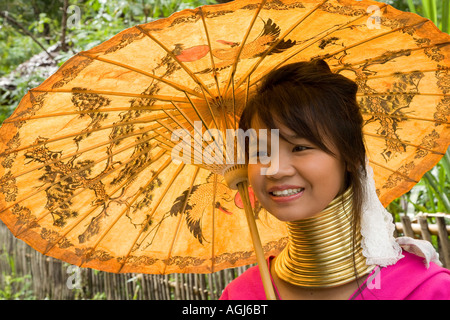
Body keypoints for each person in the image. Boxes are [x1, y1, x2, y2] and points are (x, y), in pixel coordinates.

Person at [219, 60, 450, 300]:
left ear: (352, 157)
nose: (275, 171)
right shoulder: (240, 295)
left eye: (299, 147)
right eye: (260, 153)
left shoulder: (427, 290)